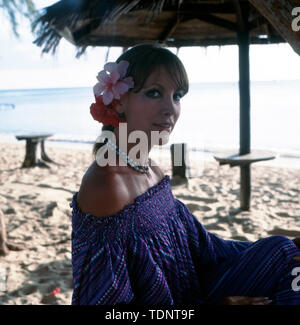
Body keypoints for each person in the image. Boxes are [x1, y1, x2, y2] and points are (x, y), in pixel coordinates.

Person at [70, 43, 300, 305]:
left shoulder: (151, 171)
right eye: (154, 93)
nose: (170, 109)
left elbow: (203, 248)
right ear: (120, 101)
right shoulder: (107, 185)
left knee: (285, 253)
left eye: (177, 96)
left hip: (193, 293)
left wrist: (290, 246)